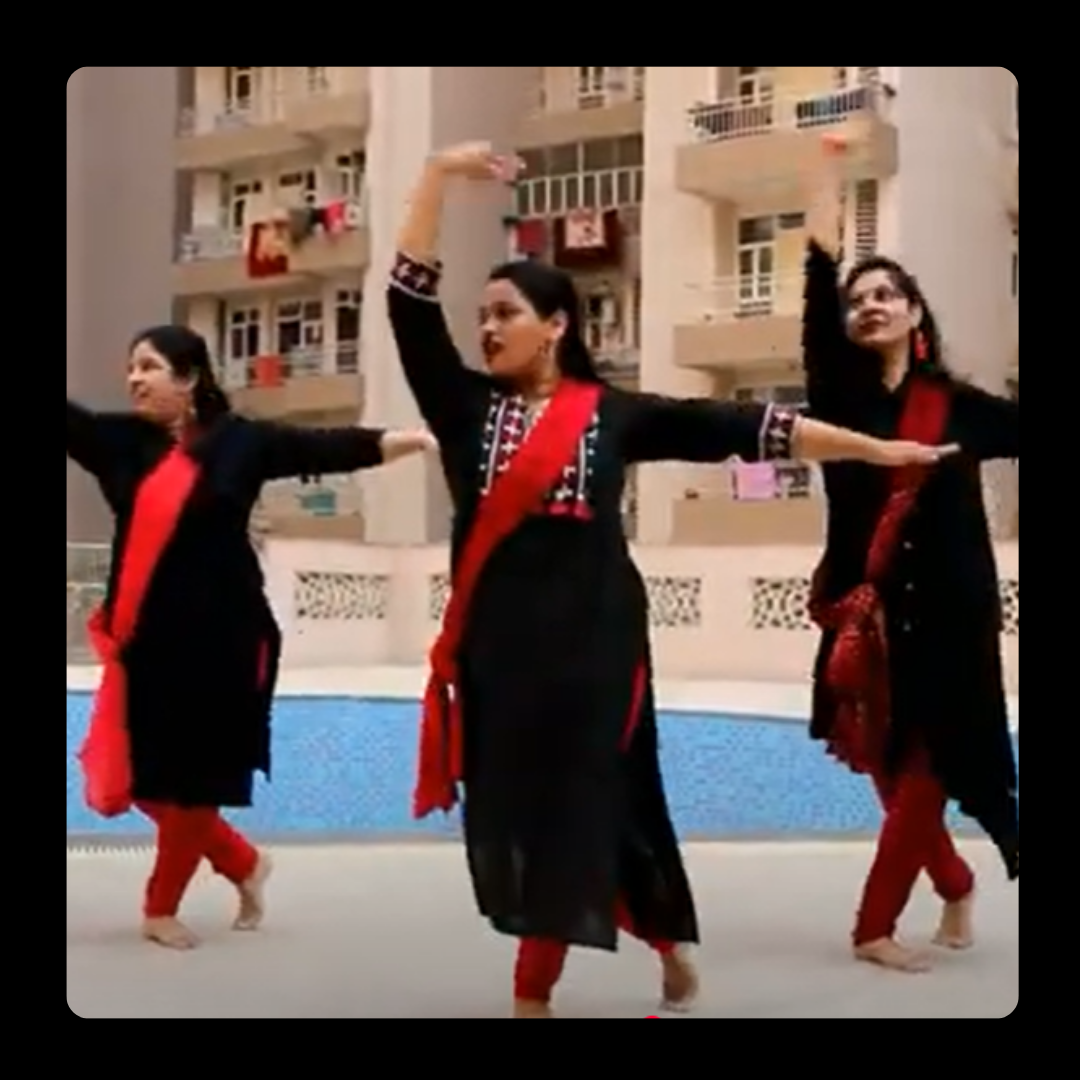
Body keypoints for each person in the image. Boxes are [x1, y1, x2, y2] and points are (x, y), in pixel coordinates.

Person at [386, 141, 959, 1018]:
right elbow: (406, 300)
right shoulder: (463, 410)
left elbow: (750, 427)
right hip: (498, 655)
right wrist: (435, 174)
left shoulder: (616, 416)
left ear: (557, 325)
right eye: (481, 316)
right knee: (538, 809)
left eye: (505, 313)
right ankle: (661, 932)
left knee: (578, 802)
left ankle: (533, 993)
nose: (488, 329)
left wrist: (878, 450)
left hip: (599, 647)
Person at [67, 324, 435, 950]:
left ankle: (160, 908)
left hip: (225, 638)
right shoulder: (119, 442)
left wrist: (411, 440)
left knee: (196, 781)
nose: (134, 379)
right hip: (148, 640)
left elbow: (324, 447)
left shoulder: (242, 443)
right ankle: (243, 862)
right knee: (143, 781)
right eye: (131, 367)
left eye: (149, 367)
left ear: (189, 378)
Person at [801, 135, 1020, 973]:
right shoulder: (839, 395)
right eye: (860, 298)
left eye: (887, 294)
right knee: (887, 769)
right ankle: (955, 882)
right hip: (866, 610)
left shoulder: (960, 406)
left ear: (916, 314)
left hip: (953, 611)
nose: (871, 305)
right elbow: (817, 279)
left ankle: (873, 927)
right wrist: (825, 173)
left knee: (928, 765)